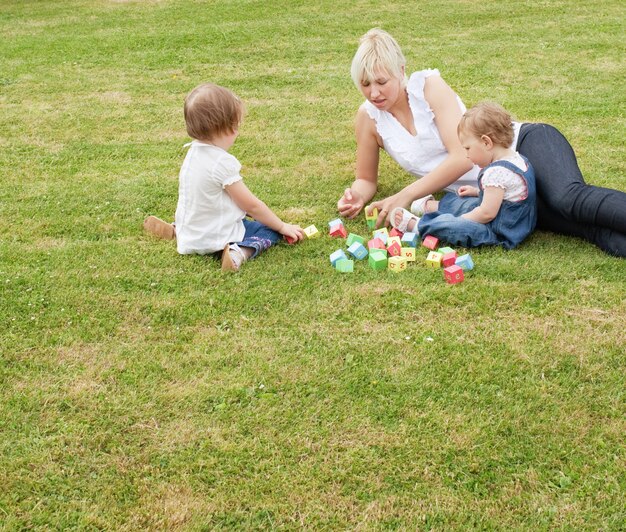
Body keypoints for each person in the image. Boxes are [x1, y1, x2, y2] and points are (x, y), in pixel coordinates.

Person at [337, 28, 626, 257]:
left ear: (401, 70)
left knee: (569, 200)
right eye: (365, 84)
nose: (374, 92)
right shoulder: (368, 118)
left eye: (381, 81)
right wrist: (357, 197)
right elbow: (366, 179)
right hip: (498, 194)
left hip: (521, 146)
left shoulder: (428, 86)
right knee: (578, 228)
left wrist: (406, 194)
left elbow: (461, 157)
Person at [144, 83, 304, 271]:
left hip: (192, 231)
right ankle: (238, 253)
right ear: (229, 128)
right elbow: (251, 205)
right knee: (268, 230)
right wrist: (283, 226)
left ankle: (178, 231)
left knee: (203, 212)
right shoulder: (222, 163)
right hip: (217, 235)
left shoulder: (193, 152)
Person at [391, 102, 536, 249]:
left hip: (498, 232)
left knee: (460, 226)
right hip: (513, 221)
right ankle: (432, 207)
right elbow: (504, 194)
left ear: (486, 142)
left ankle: (419, 226)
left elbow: (486, 214)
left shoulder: (496, 173)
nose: (467, 155)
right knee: (467, 202)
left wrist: (460, 220)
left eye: (468, 148)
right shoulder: (518, 160)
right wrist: (477, 192)